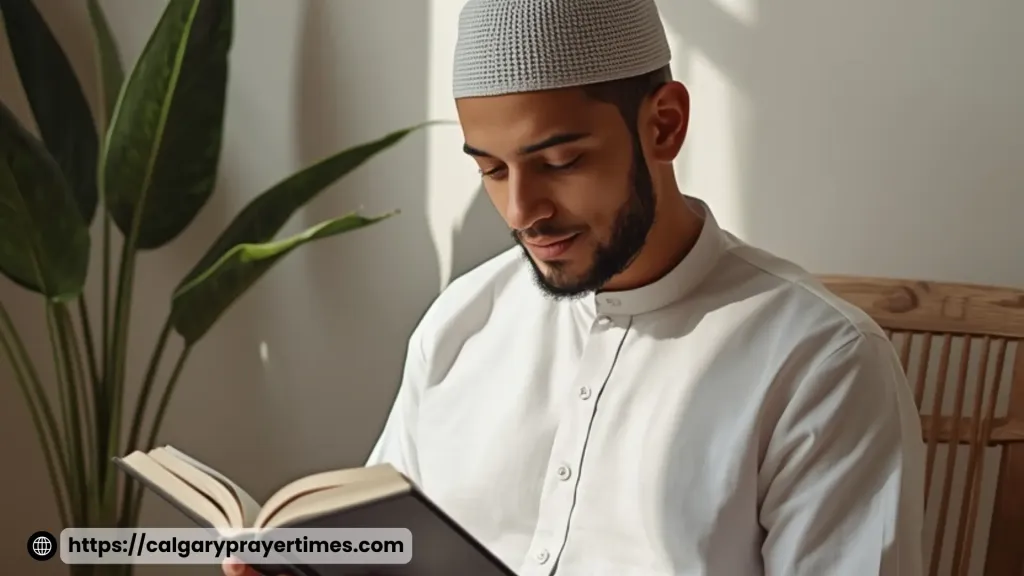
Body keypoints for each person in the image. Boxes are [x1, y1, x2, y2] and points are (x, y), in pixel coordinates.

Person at [225, 0, 926, 574]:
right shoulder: (462, 323)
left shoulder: (819, 362)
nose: (522, 210)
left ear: (665, 124)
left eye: (558, 160)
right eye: (491, 171)